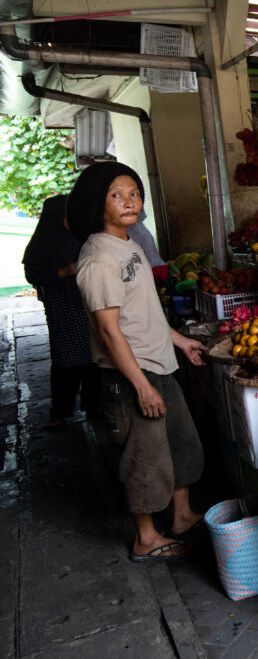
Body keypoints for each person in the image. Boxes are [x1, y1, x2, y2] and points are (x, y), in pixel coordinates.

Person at [67, 162, 208, 562]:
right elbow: (111, 331)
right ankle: (146, 538)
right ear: (98, 203)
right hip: (130, 376)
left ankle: (180, 517)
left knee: (181, 446)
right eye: (116, 195)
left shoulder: (129, 245)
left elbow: (144, 311)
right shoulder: (97, 259)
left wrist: (180, 342)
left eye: (134, 193)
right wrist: (141, 386)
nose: (129, 201)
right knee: (144, 459)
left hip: (160, 363)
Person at [21, 194, 100, 428]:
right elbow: (32, 274)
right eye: (67, 215)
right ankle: (59, 412)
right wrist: (62, 273)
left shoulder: (84, 236)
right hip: (63, 308)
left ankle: (93, 404)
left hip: (88, 304)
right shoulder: (42, 243)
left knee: (94, 358)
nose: (71, 219)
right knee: (66, 362)